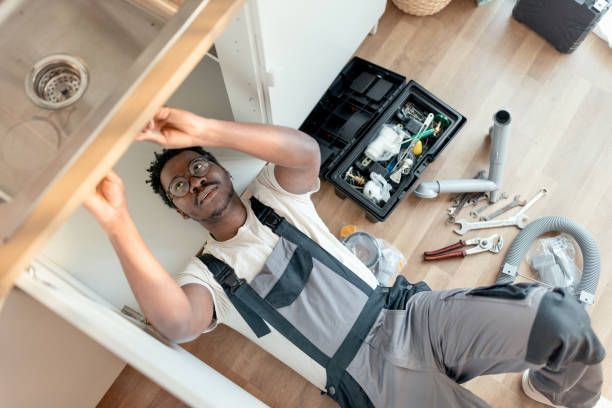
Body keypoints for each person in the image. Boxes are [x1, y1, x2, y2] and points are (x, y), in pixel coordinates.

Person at [84, 107, 607, 408]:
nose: (194, 180)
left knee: (562, 320)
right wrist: (116, 223)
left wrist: (201, 132)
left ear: (219, 169)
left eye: (198, 167)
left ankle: (553, 390)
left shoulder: (273, 193)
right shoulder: (206, 276)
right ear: (179, 211)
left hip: (408, 315)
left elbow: (306, 153)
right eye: (180, 186)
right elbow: (175, 323)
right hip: (371, 379)